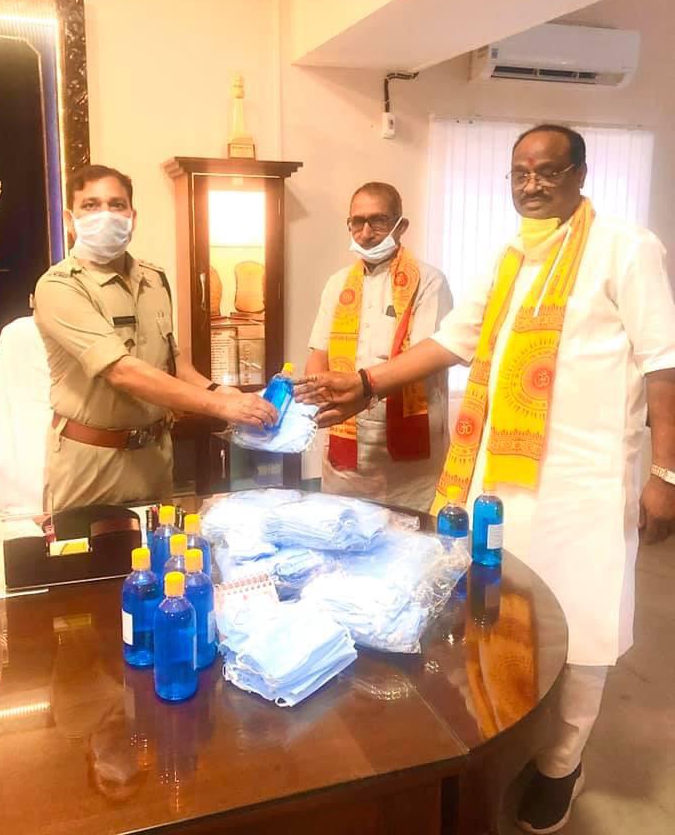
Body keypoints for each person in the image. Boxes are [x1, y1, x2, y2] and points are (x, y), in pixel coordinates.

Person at [296, 126, 675, 833]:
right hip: (501, 478)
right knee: (497, 615)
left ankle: (561, 765)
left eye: (548, 171)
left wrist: (666, 470)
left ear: (580, 173)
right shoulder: (509, 260)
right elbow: (452, 342)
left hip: (584, 485)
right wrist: (368, 383)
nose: (532, 184)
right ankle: (512, 730)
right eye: (520, 173)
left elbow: (664, 362)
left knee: (585, 628)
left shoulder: (626, 247)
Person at [34, 164, 276, 513]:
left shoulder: (153, 279)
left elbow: (172, 362)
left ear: (132, 217)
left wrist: (218, 390)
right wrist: (219, 406)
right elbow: (122, 371)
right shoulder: (59, 286)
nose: (105, 215)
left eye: (117, 205)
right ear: (70, 221)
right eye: (91, 205)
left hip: (155, 459)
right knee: (89, 549)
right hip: (92, 464)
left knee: (161, 546)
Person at [306, 181, 452, 510]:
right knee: (344, 529)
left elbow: (427, 358)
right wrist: (314, 395)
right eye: (357, 222)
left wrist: (361, 387)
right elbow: (319, 353)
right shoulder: (337, 283)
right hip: (347, 447)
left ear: (401, 226)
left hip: (409, 458)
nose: (366, 232)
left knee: (409, 533)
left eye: (378, 221)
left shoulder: (429, 281)